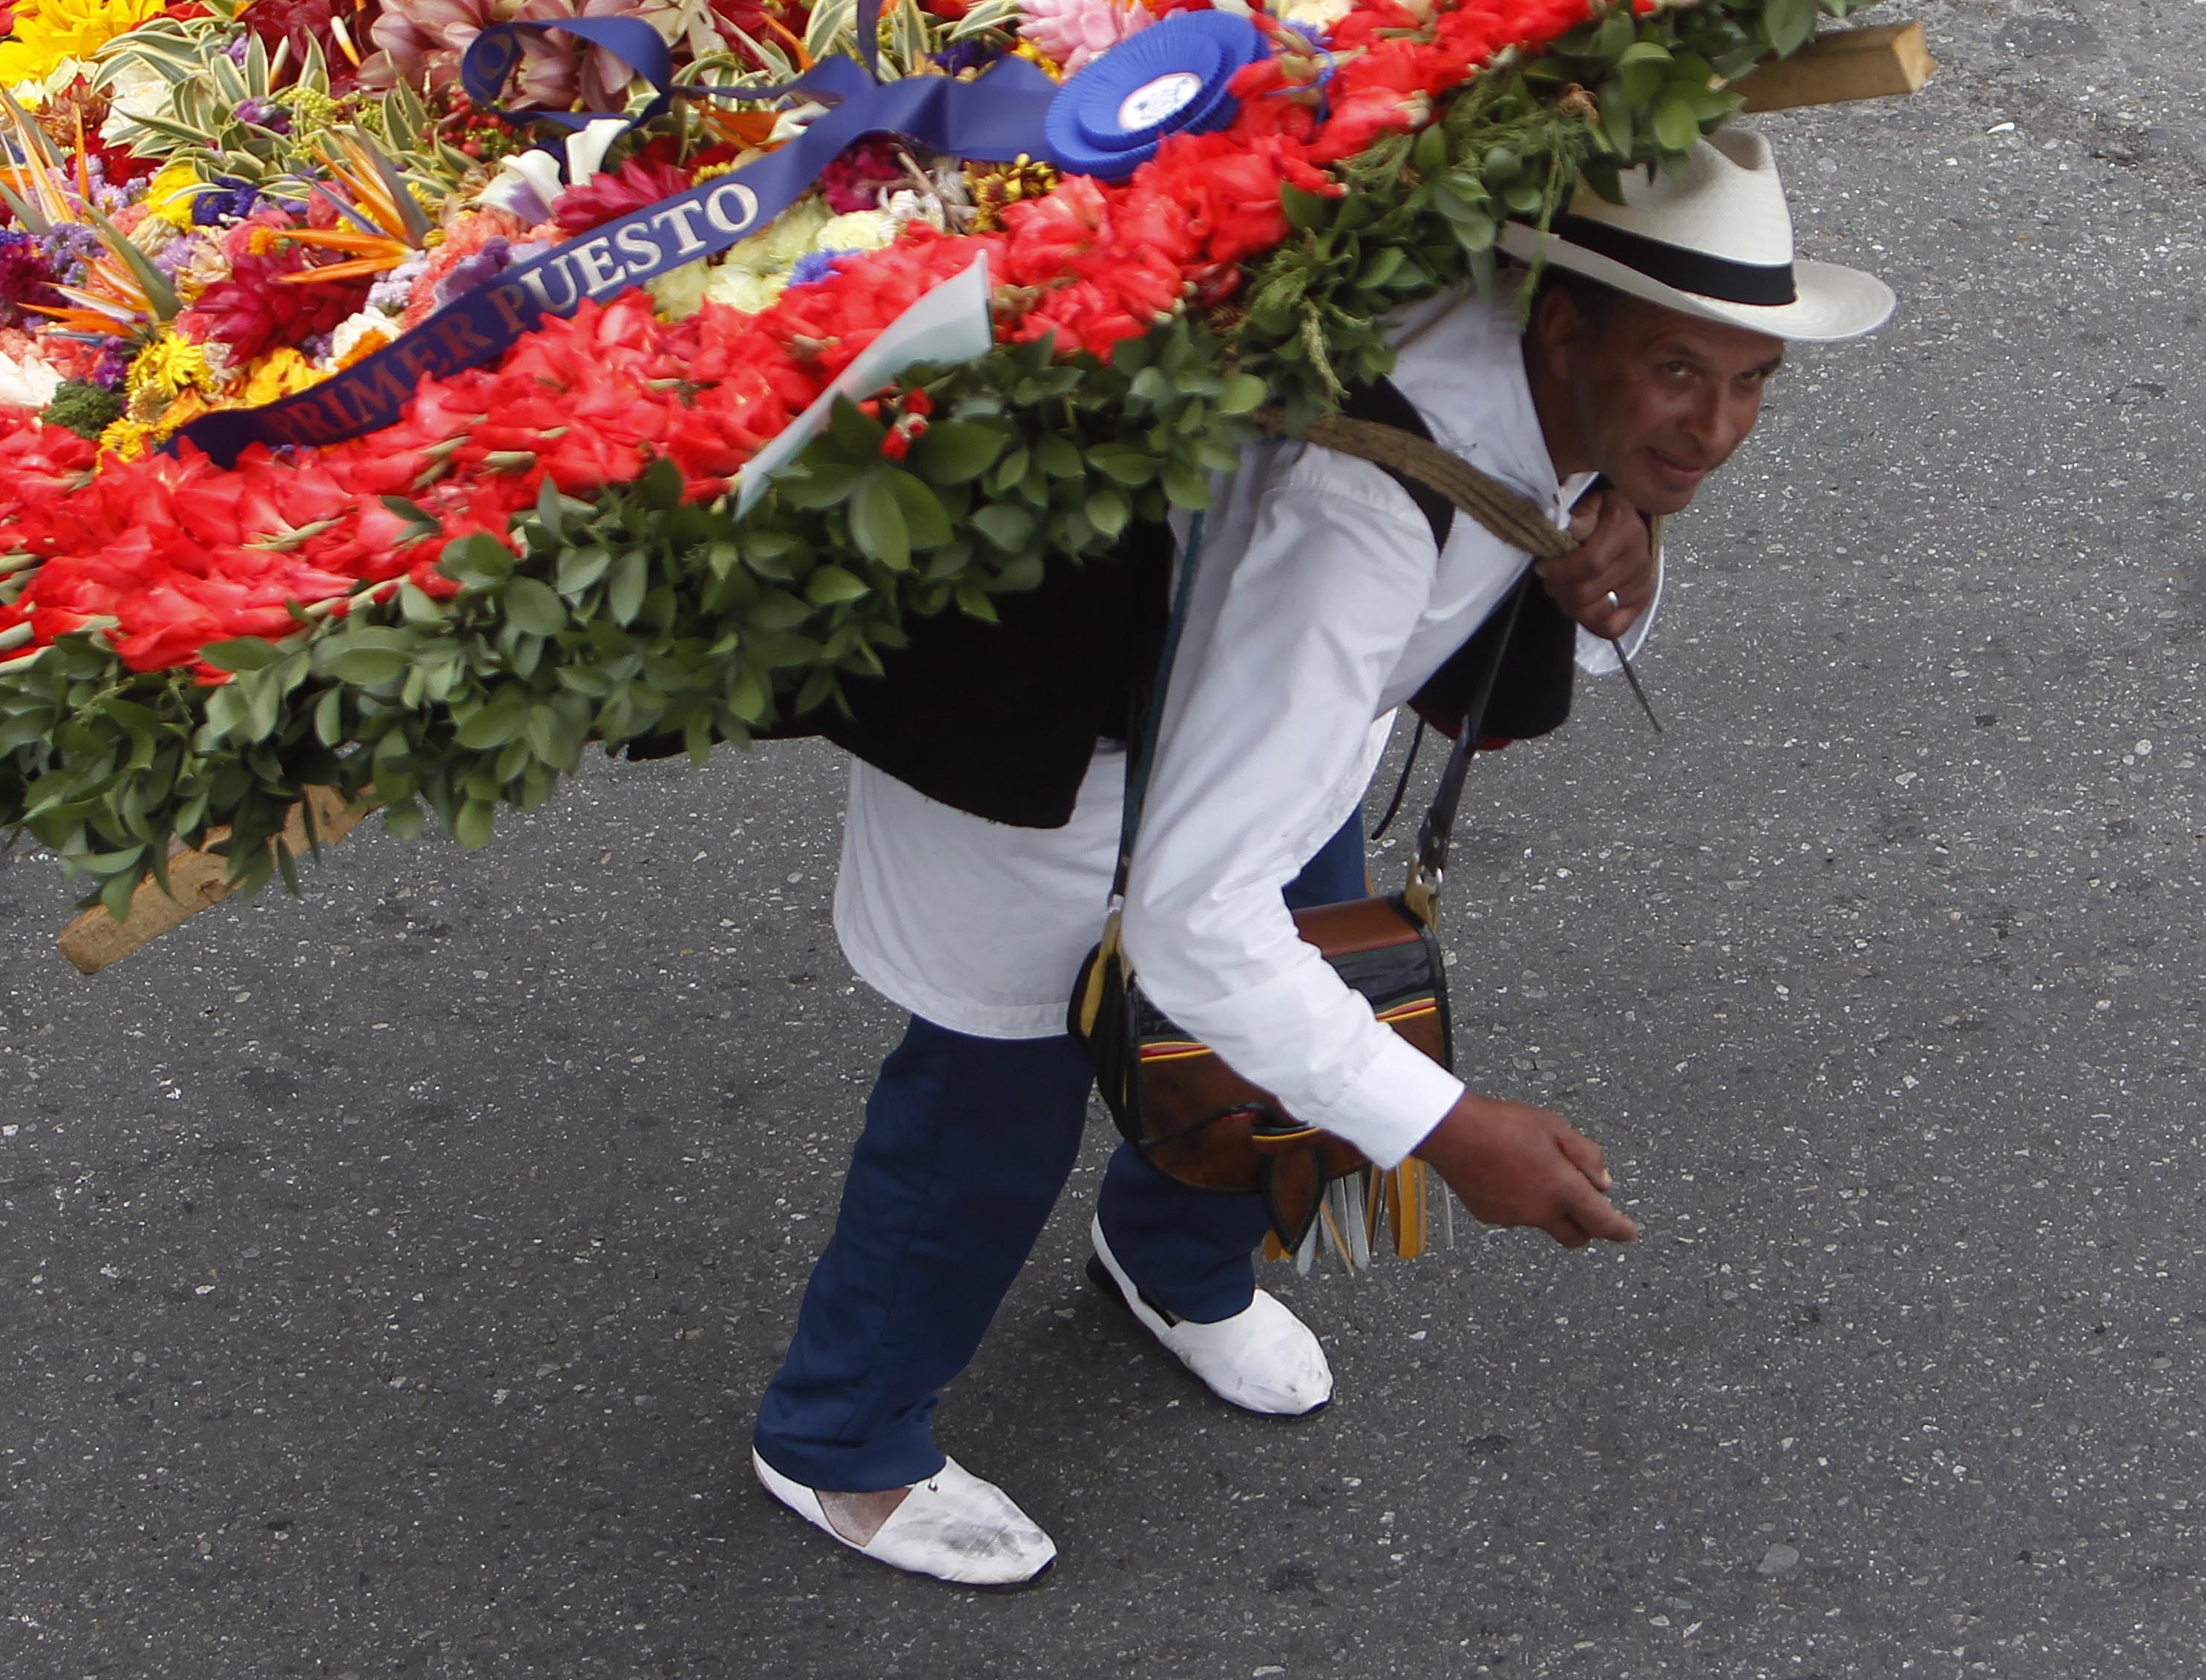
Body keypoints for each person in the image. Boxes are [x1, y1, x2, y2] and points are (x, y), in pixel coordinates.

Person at [749, 125, 1896, 1584]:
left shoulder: (1543, 366)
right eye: (1681, 373)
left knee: (1289, 1023)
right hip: (1063, 771)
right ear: (1561, 323)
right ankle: (840, 1435)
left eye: (1751, 381)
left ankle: (1174, 1262)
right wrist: (1447, 1130)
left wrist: (1626, 542)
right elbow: (1192, 921)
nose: (1718, 427)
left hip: (1262, 745)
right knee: (989, 1124)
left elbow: (1504, 544)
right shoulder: (1362, 520)